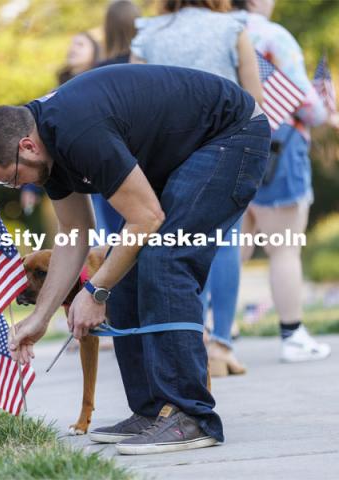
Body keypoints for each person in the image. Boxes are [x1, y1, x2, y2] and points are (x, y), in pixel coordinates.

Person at [0, 64, 270, 454]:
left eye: (10, 177)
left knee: (165, 257)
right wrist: (40, 318)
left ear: (26, 147)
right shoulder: (47, 150)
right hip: (186, 149)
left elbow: (147, 218)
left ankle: (191, 416)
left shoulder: (78, 132)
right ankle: (152, 411)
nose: (15, 186)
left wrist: (94, 290)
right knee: (124, 265)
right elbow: (75, 234)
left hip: (232, 133)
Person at [130, 0, 262, 376]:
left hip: (167, 152)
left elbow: (134, 100)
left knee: (177, 247)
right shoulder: (232, 28)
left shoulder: (148, 33)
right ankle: (221, 344)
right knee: (224, 245)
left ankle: (193, 341)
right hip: (225, 145)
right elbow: (256, 100)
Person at [232, 0, 339, 362]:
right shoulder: (272, 36)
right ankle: (292, 335)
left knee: (233, 247)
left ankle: (216, 334)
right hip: (279, 148)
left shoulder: (217, 29)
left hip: (226, 149)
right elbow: (305, 102)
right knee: (284, 246)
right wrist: (326, 111)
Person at [20, 31, 101, 216]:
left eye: (80, 44)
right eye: (72, 44)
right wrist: (30, 188)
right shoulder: (54, 93)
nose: (72, 48)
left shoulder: (100, 85)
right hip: (70, 176)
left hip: (100, 170)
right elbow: (40, 140)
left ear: (94, 52)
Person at [91, 0, 141, 235]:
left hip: (109, 159)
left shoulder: (97, 72)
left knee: (112, 236)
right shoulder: (148, 65)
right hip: (142, 156)